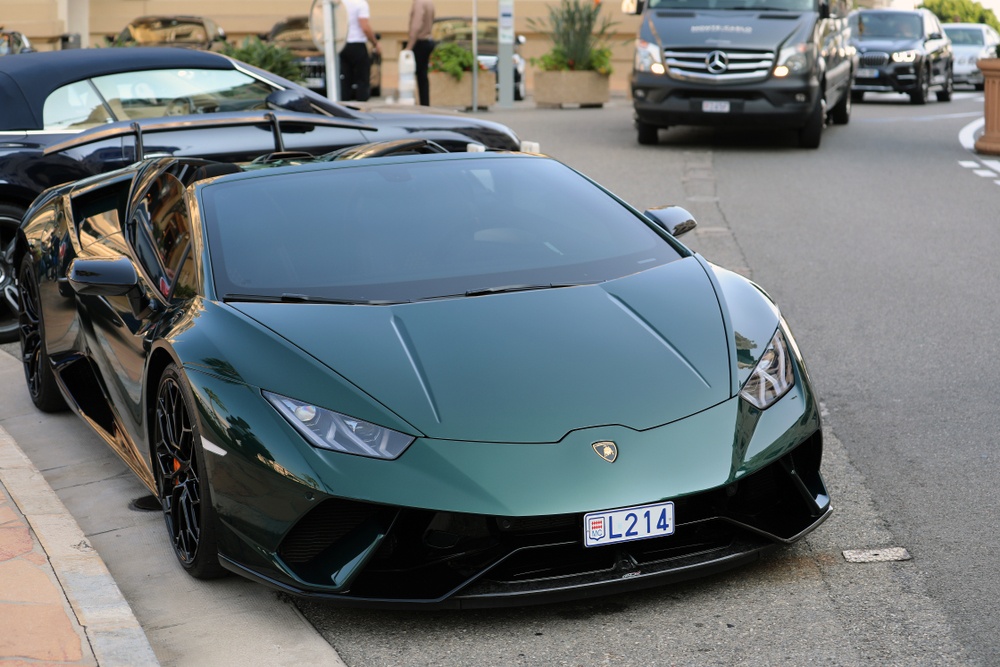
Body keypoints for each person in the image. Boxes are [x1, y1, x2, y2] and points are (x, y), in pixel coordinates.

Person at [340, 0, 380, 101]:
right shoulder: (361, 3)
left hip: (342, 44)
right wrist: (375, 42)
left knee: (345, 80)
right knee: (362, 79)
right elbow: (365, 27)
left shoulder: (341, 3)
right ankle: (362, 109)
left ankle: (344, 108)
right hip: (357, 43)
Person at [405, 0, 436, 106]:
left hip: (420, 42)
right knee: (423, 76)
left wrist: (409, 46)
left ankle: (416, 103)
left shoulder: (419, 3)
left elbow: (416, 26)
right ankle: (424, 103)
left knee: (411, 74)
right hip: (427, 40)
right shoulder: (429, 2)